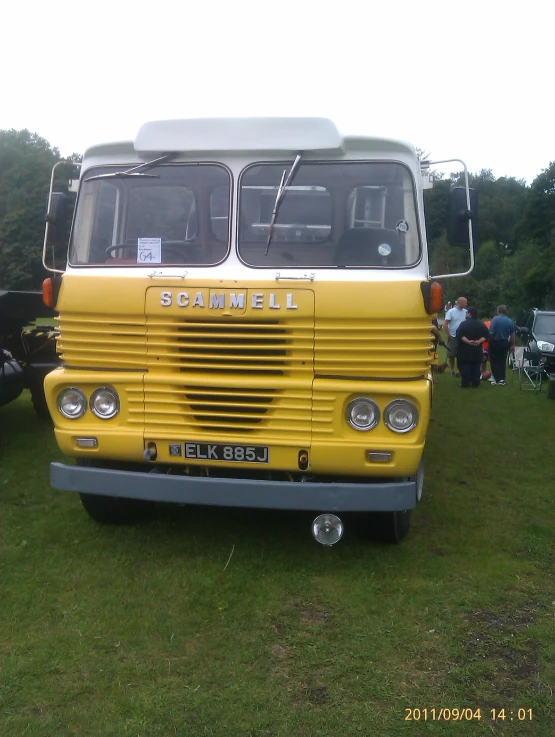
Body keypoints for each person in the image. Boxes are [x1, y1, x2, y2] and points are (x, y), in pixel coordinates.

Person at [456, 307, 490, 388]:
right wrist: (479, 341)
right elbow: (487, 335)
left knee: (464, 366)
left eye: (467, 313)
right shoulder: (481, 324)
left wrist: (468, 341)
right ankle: (475, 382)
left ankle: (465, 383)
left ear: (470, 314)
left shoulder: (464, 324)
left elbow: (459, 335)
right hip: (477, 348)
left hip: (464, 349)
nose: (466, 314)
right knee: (476, 365)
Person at [488, 305, 516, 385]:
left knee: (494, 360)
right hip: (505, 342)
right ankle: (502, 379)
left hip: (495, 342)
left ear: (498, 311)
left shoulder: (495, 320)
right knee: (502, 360)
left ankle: (496, 378)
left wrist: (490, 340)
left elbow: (491, 332)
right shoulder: (510, 321)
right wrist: (512, 345)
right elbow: (513, 335)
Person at [444, 297, 468, 376]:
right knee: (452, 354)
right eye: (465, 303)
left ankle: (459, 371)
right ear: (460, 303)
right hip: (453, 337)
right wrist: (449, 335)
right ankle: (452, 370)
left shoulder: (466, 312)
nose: (466, 304)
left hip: (463, 337)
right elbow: (445, 324)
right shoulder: (451, 312)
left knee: (461, 355)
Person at [480, 312, 495, 379]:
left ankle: (492, 375)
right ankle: (482, 374)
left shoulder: (497, 325)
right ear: (491, 318)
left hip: (493, 346)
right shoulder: (485, 324)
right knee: (483, 361)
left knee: (493, 361)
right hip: (485, 346)